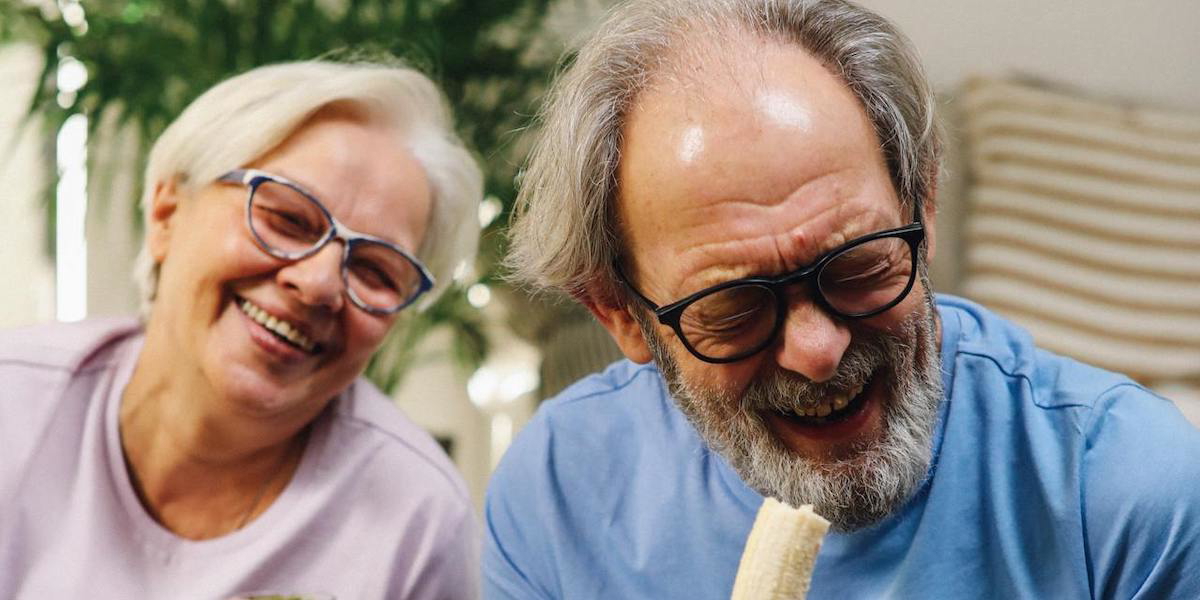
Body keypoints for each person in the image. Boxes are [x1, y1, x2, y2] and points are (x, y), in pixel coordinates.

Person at [488, 0, 1200, 598]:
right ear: (619, 313)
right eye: (734, 306)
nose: (818, 352)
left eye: (857, 266)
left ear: (922, 203)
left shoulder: (1127, 490)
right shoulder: (558, 495)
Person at [0, 59, 482, 599]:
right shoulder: (12, 405)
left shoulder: (418, 521)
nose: (318, 284)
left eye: (376, 270)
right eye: (288, 219)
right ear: (166, 213)